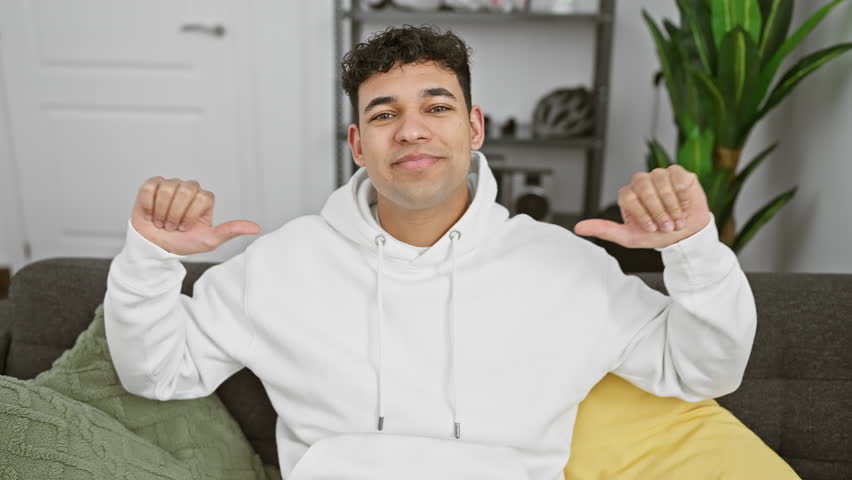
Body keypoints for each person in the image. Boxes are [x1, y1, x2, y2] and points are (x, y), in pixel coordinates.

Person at [104, 25, 756, 480]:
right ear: (358, 145)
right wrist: (152, 256)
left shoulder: (568, 267)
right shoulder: (279, 265)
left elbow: (703, 370)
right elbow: (155, 373)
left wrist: (693, 248)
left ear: (474, 128)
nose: (411, 130)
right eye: (384, 114)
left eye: (436, 107)